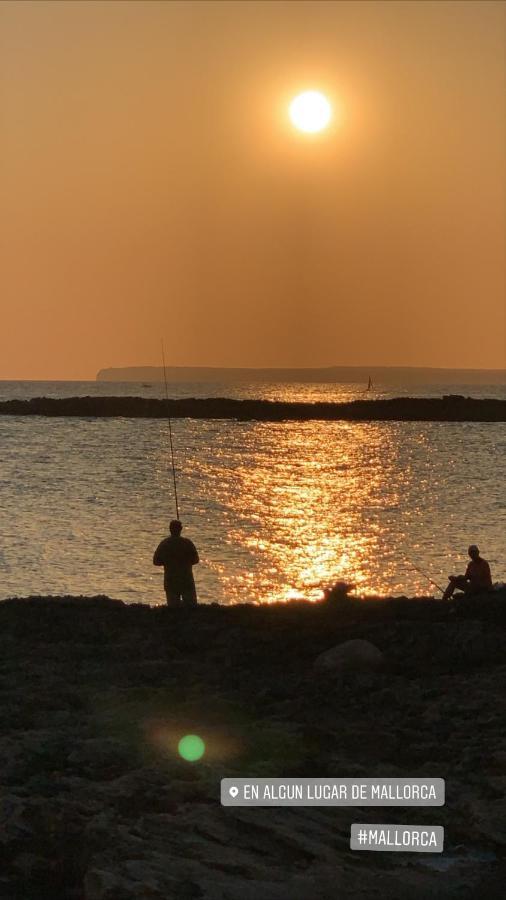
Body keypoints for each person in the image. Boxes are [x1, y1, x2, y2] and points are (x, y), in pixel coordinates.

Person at [153, 520, 199, 607]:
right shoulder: (187, 543)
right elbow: (196, 560)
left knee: (173, 609)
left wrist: (167, 561)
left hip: (171, 581)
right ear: (181, 529)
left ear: (170, 529)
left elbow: (155, 561)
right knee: (191, 608)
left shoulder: (164, 544)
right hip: (186, 580)